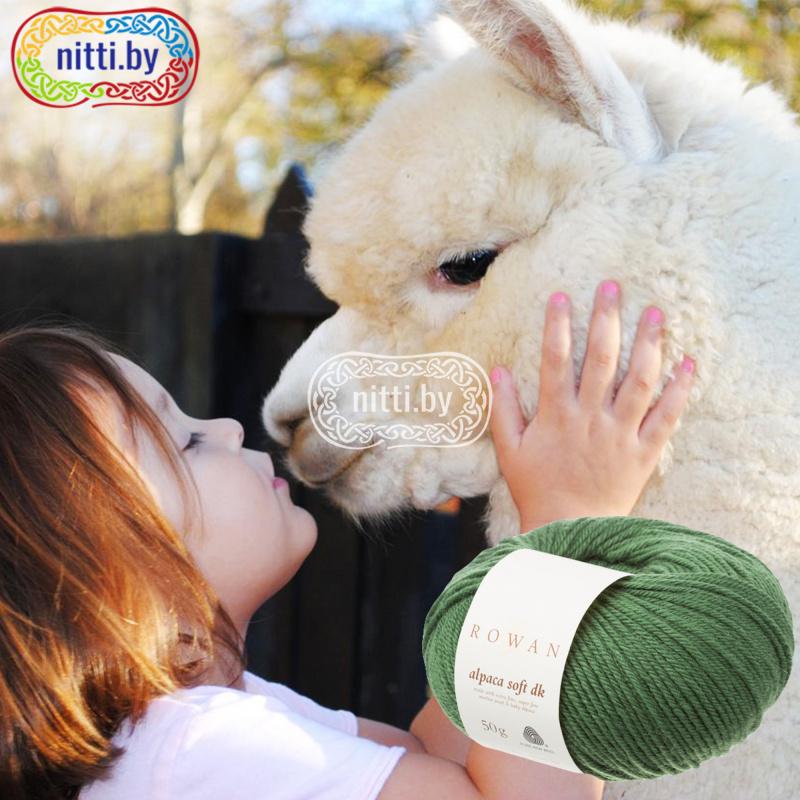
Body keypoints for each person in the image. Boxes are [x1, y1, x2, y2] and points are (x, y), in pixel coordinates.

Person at [0, 278, 695, 800]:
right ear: (105, 581)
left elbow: (435, 761)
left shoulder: (211, 725)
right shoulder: (198, 749)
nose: (229, 429)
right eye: (186, 442)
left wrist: (528, 532)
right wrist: (566, 530)